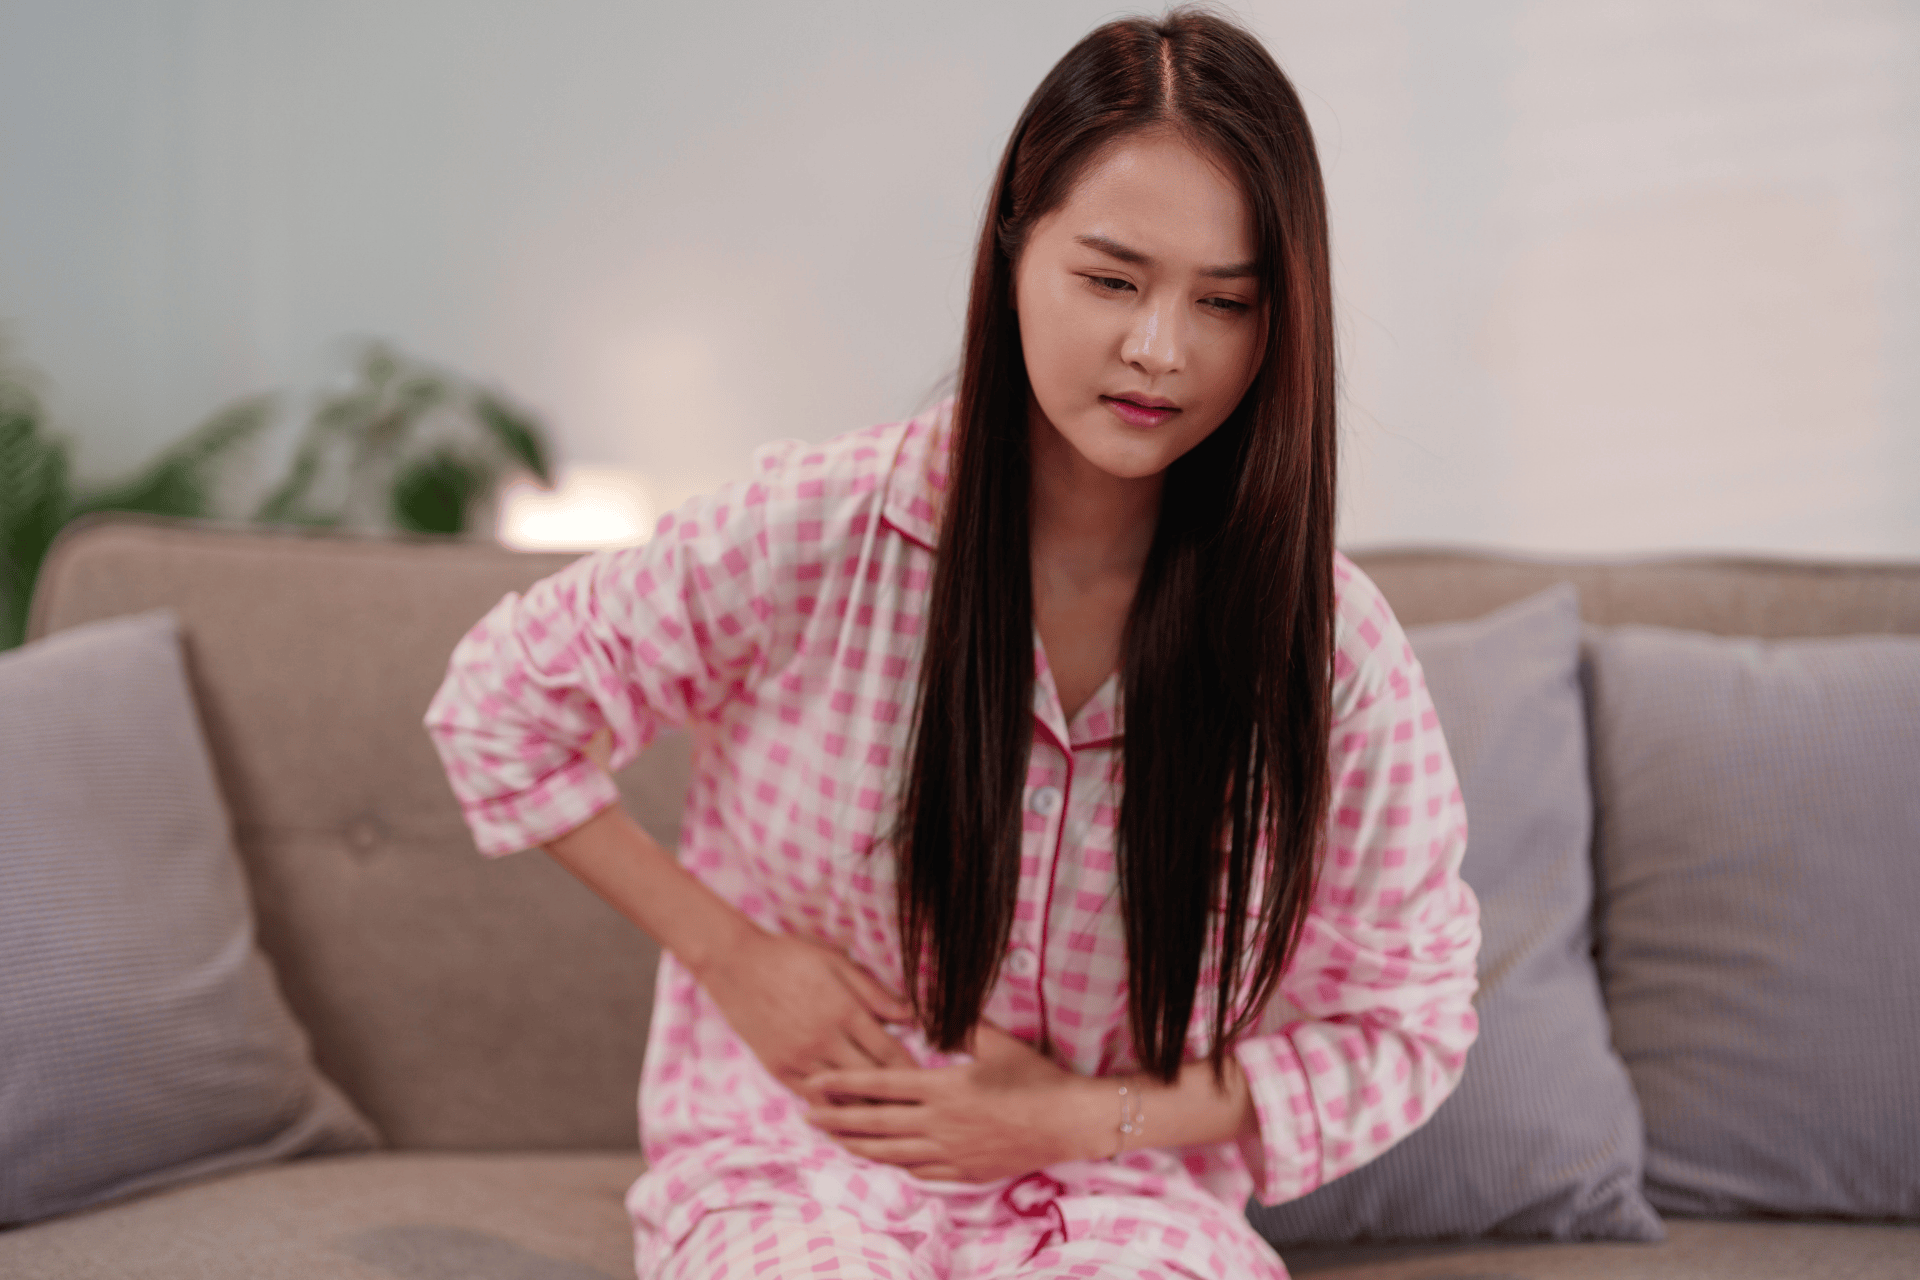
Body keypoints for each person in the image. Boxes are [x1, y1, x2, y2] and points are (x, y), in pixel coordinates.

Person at [424, 8, 1481, 1278]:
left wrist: (1078, 1117)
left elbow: (1408, 1026)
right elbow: (501, 702)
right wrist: (733, 956)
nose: (1159, 348)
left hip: (1121, 1203)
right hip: (797, 1164)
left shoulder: (1330, 653)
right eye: (1111, 279)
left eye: (1223, 302)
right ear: (1014, 247)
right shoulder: (819, 526)